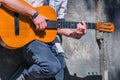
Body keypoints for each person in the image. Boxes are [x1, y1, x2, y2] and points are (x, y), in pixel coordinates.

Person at [0, 0, 87, 80]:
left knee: (58, 68)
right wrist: (34, 14)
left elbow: (57, 24)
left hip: (53, 43)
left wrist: (74, 34)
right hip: (30, 39)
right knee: (52, 67)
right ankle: (22, 77)